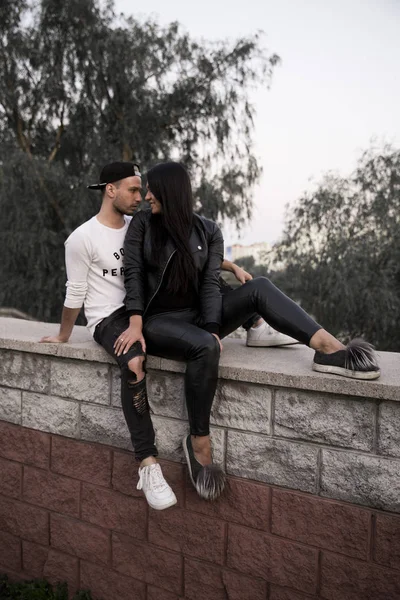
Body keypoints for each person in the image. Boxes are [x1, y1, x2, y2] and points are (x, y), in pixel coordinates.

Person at [120, 161, 380, 502]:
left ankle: (329, 348)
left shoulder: (208, 230)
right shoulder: (143, 224)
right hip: (159, 322)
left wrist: (213, 327)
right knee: (204, 348)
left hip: (197, 318)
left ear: (171, 191)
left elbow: (211, 285)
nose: (147, 196)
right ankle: (198, 442)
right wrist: (136, 320)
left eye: (152, 189)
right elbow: (134, 273)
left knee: (259, 287)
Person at [38, 160, 271, 510]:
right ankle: (147, 463)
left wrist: (231, 264)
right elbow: (75, 292)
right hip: (109, 318)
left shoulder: (139, 224)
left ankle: (257, 324)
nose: (141, 196)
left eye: (140, 189)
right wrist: (63, 335)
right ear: (110, 190)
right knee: (134, 363)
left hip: (142, 312)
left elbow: (187, 248)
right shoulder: (81, 238)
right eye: (133, 189)